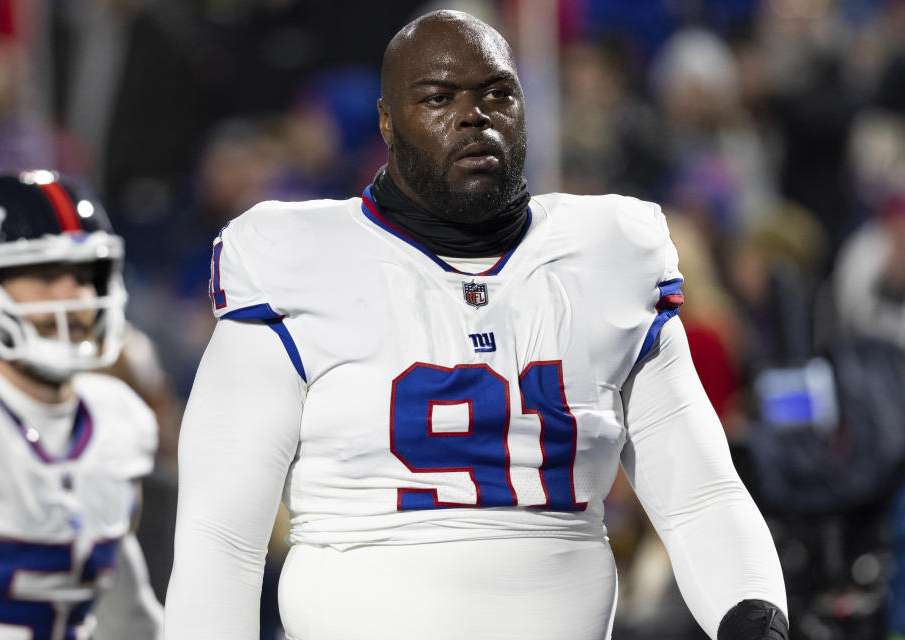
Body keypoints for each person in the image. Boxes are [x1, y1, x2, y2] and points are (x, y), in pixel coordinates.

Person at [165, 11, 788, 640]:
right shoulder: (295, 258)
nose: (474, 115)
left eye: (497, 92)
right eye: (438, 97)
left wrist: (755, 619)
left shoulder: (608, 254)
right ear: (387, 120)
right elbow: (222, 537)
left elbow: (702, 496)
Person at [0, 171, 163, 639]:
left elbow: (123, 607)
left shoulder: (119, 418)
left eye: (87, 276)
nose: (78, 299)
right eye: (46, 276)